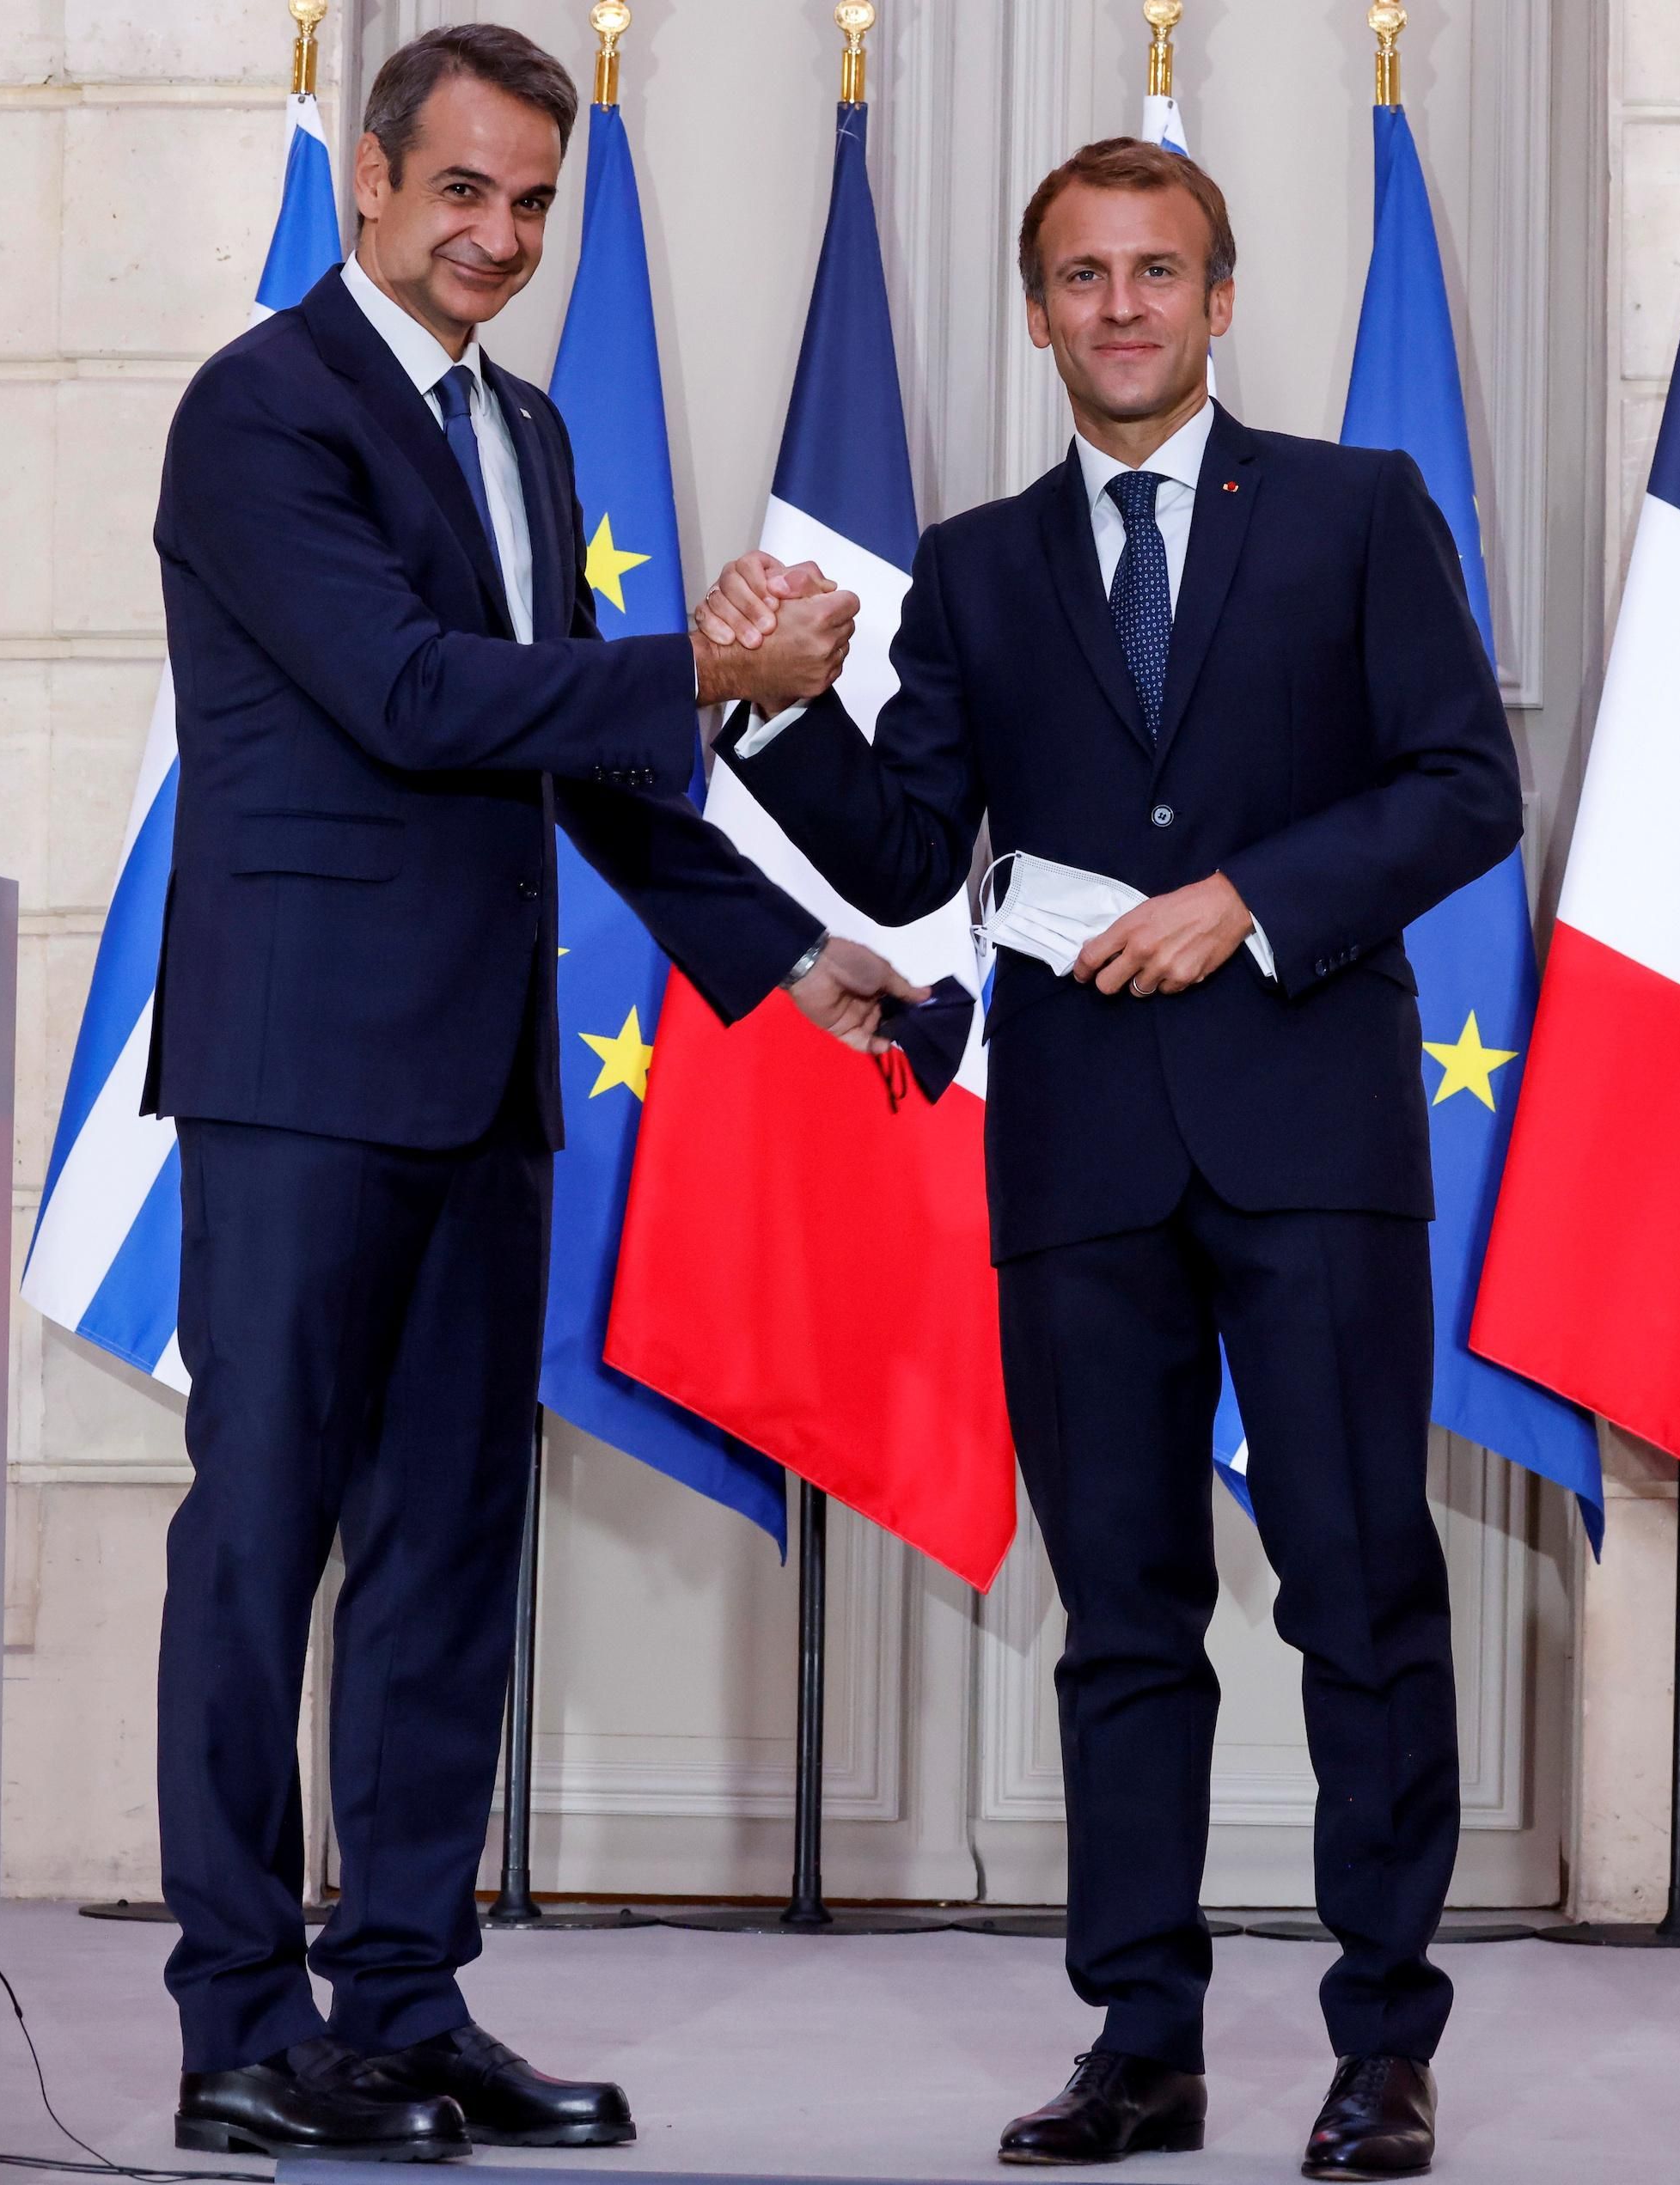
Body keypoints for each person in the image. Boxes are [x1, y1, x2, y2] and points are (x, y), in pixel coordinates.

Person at [701, 138, 1519, 2182]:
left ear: (1220, 300)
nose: (1123, 307)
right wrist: (775, 706)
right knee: (1124, 1620)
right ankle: (1140, 2043)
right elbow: (906, 851)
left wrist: (1246, 897)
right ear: (1039, 309)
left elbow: (1462, 789)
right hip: (1076, 1157)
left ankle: (1379, 2047)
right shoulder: (974, 567)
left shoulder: (1350, 509)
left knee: (1359, 1595)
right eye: (1081, 276)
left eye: (1158, 272)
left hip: (1310, 1135)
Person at [144, 24, 907, 2164]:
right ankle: (235, 2028)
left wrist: (786, 960)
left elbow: (557, 754)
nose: (494, 236)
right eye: (460, 191)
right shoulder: (257, 409)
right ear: (369, 185)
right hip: (299, 1069)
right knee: (263, 1540)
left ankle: (399, 2002)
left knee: (446, 1556)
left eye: (529, 205)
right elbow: (408, 695)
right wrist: (701, 666)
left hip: (479, 1078)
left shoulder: (536, 434)